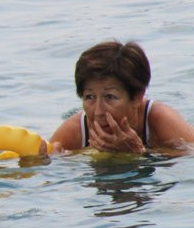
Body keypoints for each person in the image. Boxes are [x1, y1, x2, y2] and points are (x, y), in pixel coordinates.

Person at [51, 41, 194, 154]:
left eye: (110, 97)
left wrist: (138, 152)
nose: (98, 112)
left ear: (137, 97)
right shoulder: (76, 130)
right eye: (89, 97)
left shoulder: (160, 120)